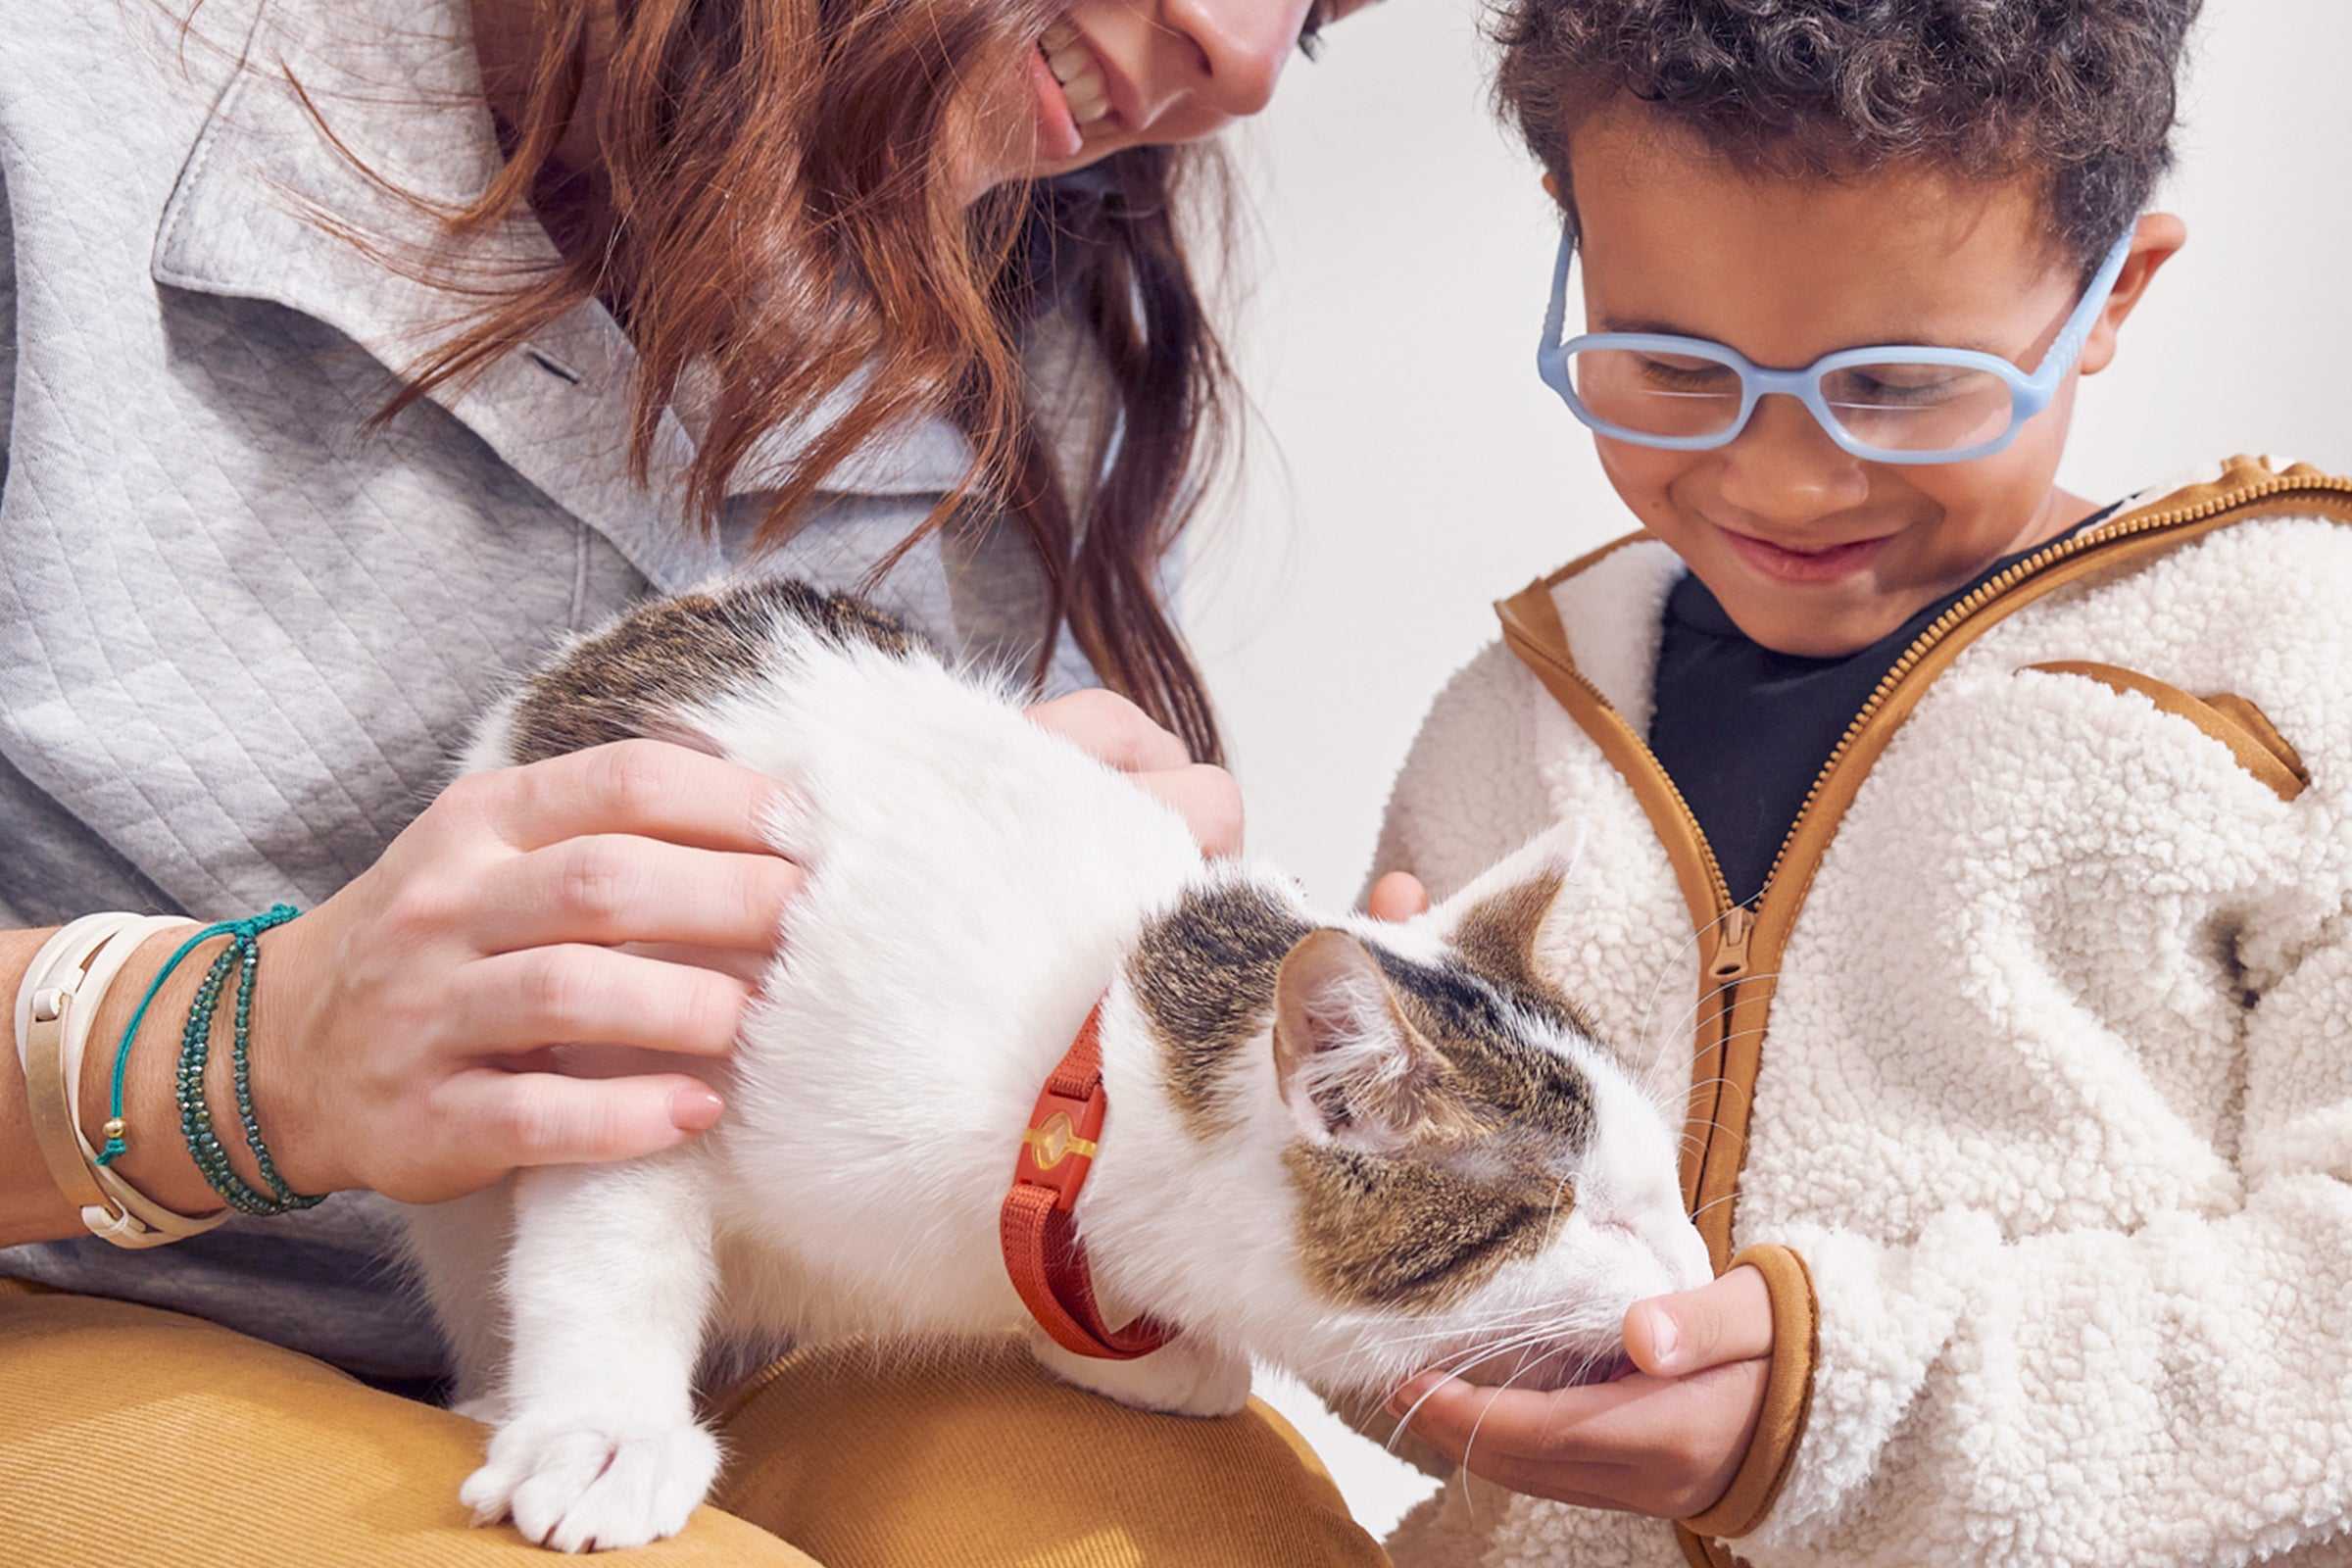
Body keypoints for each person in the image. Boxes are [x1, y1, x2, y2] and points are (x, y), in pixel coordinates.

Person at [0, 1, 1388, 1562]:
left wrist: (1118, 1086)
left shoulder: (1048, 287)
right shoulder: (65, 101)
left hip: (773, 1336)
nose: (1245, 60)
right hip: (73, 1299)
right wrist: (237, 1051)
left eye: (1323, 14)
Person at [1363, 3, 2352, 1565]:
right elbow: (1425, 1382)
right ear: (1579, 245)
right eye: (1674, 369)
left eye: (1894, 385)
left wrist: (1828, 1413)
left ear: (2113, 293)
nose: (1784, 481)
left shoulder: (2296, 671)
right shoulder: (1510, 732)